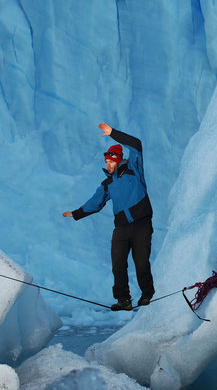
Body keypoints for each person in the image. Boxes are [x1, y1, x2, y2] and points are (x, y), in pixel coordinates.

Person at [63, 122, 155, 311]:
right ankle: (124, 300)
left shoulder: (134, 170)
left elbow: (136, 144)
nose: (108, 164)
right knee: (118, 266)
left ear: (119, 160)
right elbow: (95, 203)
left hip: (141, 225)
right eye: (106, 161)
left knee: (141, 264)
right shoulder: (107, 183)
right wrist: (76, 214)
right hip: (121, 228)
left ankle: (147, 294)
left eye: (111, 161)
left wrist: (112, 133)